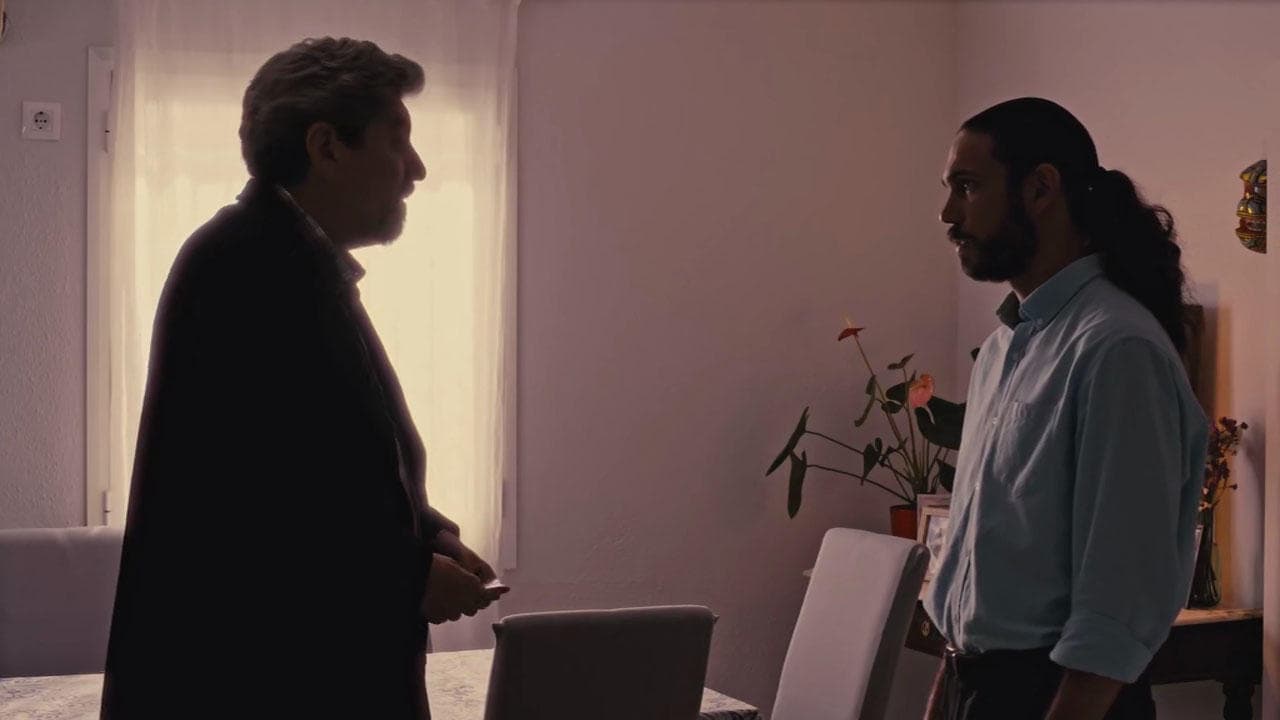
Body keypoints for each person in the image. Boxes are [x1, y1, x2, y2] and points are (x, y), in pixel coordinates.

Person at [102, 37, 501, 719]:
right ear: (327, 147)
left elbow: (320, 464)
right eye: (397, 139)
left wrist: (429, 535)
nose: (417, 169)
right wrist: (408, 575)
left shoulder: (281, 262)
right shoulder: (244, 268)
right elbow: (244, 511)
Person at [923, 97, 1208, 720]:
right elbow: (975, 583)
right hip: (982, 692)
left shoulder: (1117, 349)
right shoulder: (1001, 350)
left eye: (967, 187)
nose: (947, 214)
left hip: (1056, 699)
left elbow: (1120, 596)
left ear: (1040, 188)